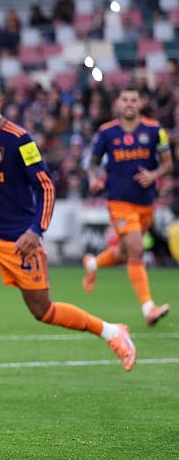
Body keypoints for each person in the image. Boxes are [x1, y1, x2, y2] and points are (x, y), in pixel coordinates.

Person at [0, 76, 134, 387]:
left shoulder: (19, 140)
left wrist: (36, 230)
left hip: (18, 239)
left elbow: (45, 186)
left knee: (43, 310)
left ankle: (112, 331)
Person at [81, 85, 172, 326]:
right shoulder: (106, 132)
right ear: (118, 104)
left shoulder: (154, 130)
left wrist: (153, 175)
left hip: (145, 202)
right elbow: (92, 162)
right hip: (119, 201)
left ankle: (92, 263)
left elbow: (168, 164)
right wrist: (93, 180)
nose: (129, 103)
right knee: (136, 250)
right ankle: (148, 307)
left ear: (140, 103)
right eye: (125, 99)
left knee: (124, 253)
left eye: (134, 100)